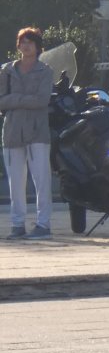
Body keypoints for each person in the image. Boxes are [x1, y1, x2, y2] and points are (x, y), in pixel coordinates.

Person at [0, 27, 55, 240]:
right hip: (12, 132)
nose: (26, 45)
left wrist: (15, 99)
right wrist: (23, 99)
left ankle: (43, 225)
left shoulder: (45, 71)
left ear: (38, 46)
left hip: (37, 132)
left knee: (42, 181)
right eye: (22, 41)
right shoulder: (6, 70)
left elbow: (42, 100)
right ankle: (17, 225)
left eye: (30, 42)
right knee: (15, 182)